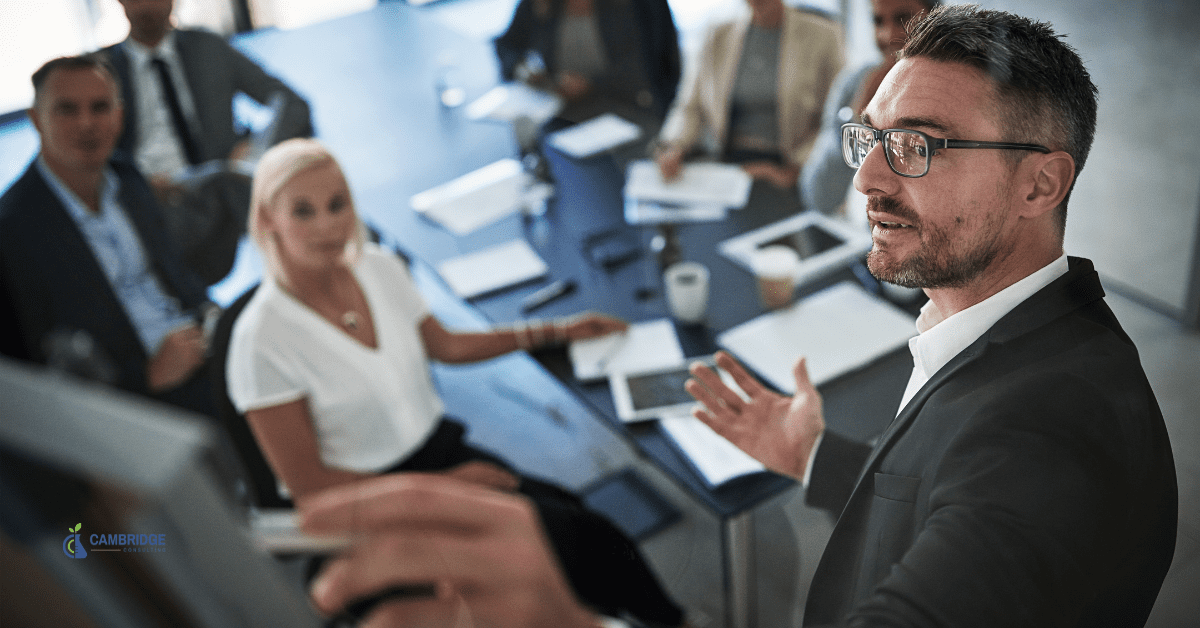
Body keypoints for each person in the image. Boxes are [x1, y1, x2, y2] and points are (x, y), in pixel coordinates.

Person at [293, 7, 1178, 628]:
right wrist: (811, 457)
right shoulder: (1010, 332)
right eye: (868, 138)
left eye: (918, 147)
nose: (867, 182)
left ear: (1040, 183)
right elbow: (934, 494)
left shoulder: (1052, 435)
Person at [224, 138, 684, 627]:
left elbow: (446, 346)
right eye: (303, 211)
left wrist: (556, 330)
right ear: (268, 219)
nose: (328, 225)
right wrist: (439, 487)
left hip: (439, 452)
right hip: (362, 500)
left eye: (337, 205)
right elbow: (311, 490)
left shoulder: (378, 267)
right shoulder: (259, 342)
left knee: (593, 536)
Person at [0, 55, 214, 417]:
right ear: (36, 120)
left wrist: (212, 319)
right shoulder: (12, 228)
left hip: (199, 350)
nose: (86, 124)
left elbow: (175, 277)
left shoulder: (129, 180)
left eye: (100, 107)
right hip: (131, 401)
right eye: (67, 110)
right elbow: (31, 371)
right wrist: (146, 377)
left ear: (119, 114)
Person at [99, 0, 314, 284]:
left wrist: (258, 150)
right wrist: (137, 182)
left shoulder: (208, 48)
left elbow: (290, 103)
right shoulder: (102, 71)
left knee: (287, 186)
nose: (147, 4)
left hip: (222, 181)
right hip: (153, 196)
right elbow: (85, 157)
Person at [655, 0, 843, 189]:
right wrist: (673, 146)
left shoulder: (823, 35)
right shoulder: (718, 33)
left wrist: (796, 169)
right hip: (727, 166)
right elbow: (690, 107)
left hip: (789, 167)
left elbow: (836, 120)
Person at [800, 0, 938, 216]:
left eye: (904, 20)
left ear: (937, 18)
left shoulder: (955, 93)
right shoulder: (854, 84)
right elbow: (818, 196)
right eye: (878, 21)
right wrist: (856, 120)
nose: (887, 35)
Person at [494, 0, 681, 127]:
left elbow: (645, 67)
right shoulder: (540, 5)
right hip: (563, 113)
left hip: (628, 106)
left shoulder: (633, 6)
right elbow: (506, 45)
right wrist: (524, 69)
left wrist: (591, 84)